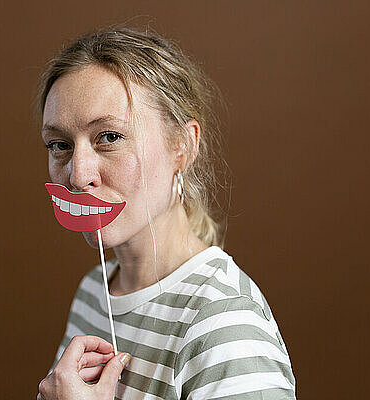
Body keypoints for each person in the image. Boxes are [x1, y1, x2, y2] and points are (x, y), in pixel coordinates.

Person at [36, 26, 296, 400]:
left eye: (109, 137)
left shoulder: (223, 319)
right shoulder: (94, 291)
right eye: (59, 144)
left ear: (183, 146)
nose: (78, 175)